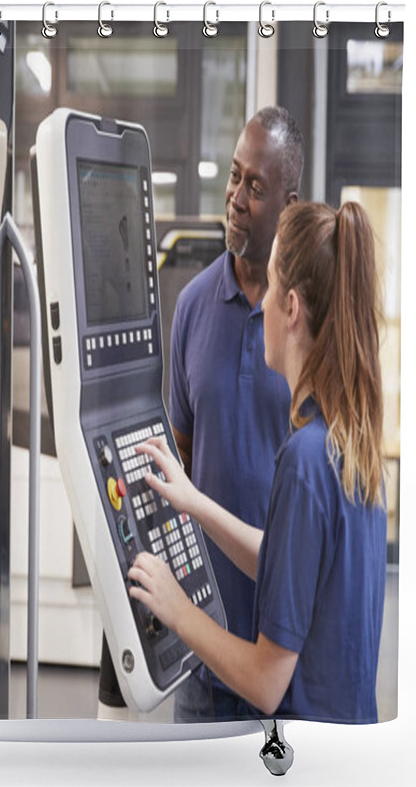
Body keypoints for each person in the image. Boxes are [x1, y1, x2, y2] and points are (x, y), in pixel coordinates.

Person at [130, 201, 387, 722]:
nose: (261, 302)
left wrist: (178, 610)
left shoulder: (304, 460)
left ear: (291, 308)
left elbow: (267, 682)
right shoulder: (345, 442)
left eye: (270, 288)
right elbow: (287, 561)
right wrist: (195, 502)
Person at [168, 107, 304, 720]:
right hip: (201, 646)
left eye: (256, 186)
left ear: (288, 202)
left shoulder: (302, 325)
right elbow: (182, 460)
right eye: (233, 177)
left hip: (282, 650)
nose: (236, 198)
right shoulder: (193, 308)